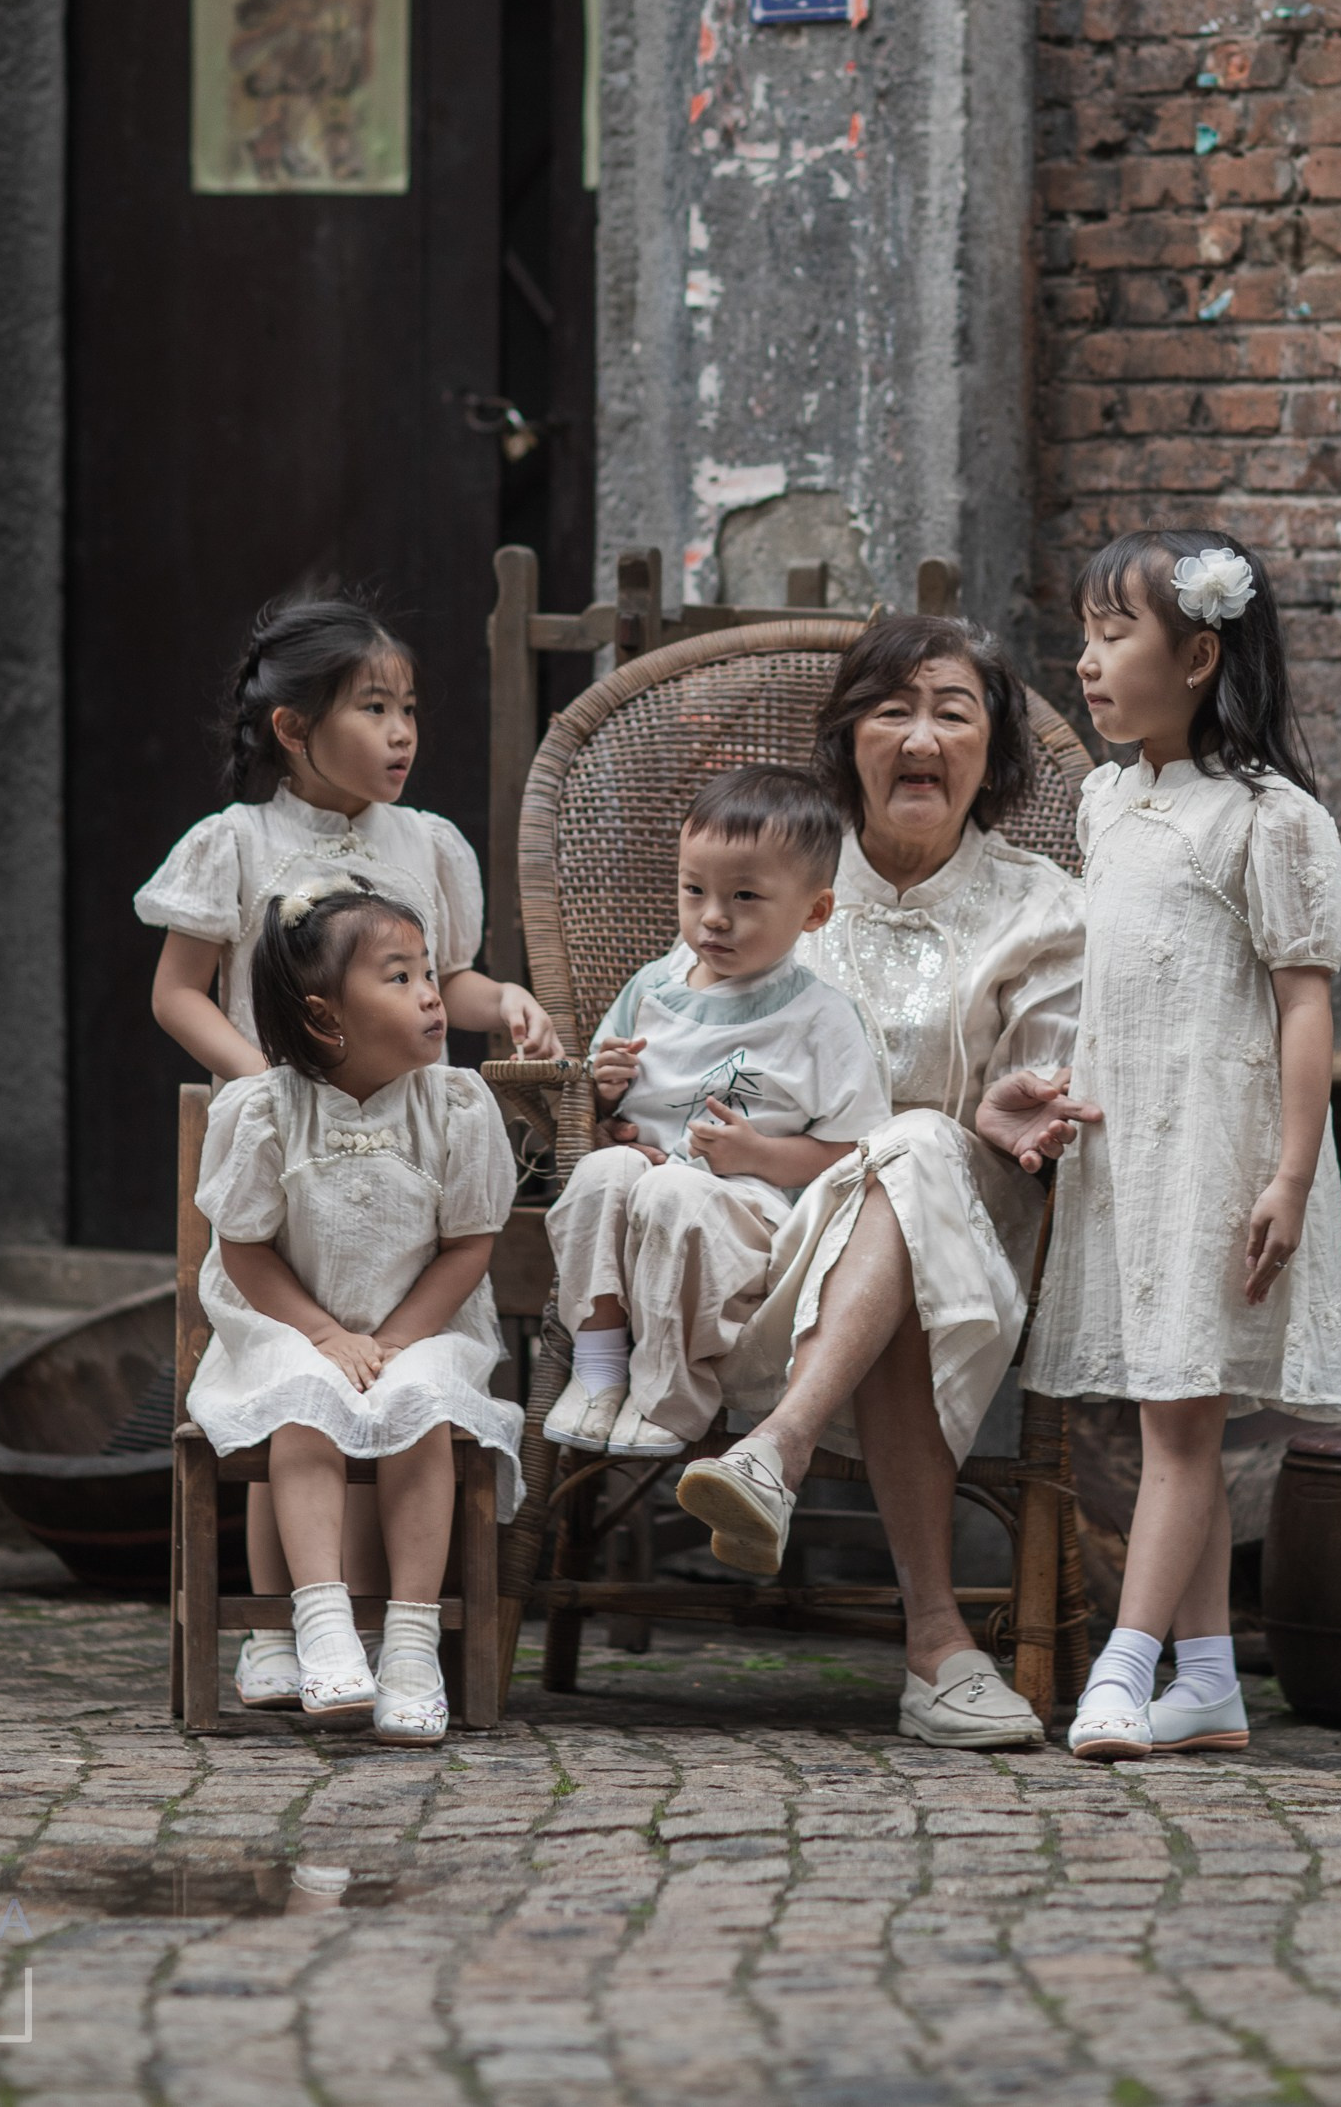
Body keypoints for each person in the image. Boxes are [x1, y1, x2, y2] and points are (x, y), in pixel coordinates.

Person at [138, 591, 558, 1709]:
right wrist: (267, 1087)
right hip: (291, 1153)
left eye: (409, 707)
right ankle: (285, 1628)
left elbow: (442, 980)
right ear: (291, 726)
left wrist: (500, 997)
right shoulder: (236, 844)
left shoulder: (425, 846)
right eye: (373, 708)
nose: (402, 732)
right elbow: (178, 992)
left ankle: (379, 1632)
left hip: (399, 1160)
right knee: (299, 1379)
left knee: (392, 1377)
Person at [674, 616, 1086, 1753]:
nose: (919, 736)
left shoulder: (1042, 907)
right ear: (847, 739)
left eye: (951, 711)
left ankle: (776, 1454)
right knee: (900, 1168)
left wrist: (1003, 1121)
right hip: (775, 1245)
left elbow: (1041, 1105)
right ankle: (935, 1649)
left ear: (989, 750)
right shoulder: (787, 874)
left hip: (971, 1250)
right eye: (890, 709)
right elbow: (682, 1032)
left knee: (913, 1157)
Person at [1029, 528, 1341, 1763]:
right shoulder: (1103, 799)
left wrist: (1286, 1173)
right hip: (1128, 1149)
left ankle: (1121, 1669)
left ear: (1201, 653)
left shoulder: (1270, 820)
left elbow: (1304, 1002)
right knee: (1185, 1425)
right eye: (1085, 635)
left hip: (1223, 1157)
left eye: (1117, 637)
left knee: (1177, 1425)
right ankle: (1209, 1682)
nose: (1088, 662)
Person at [186, 868, 524, 1744]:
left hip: (429, 1321)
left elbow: (469, 1246)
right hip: (288, 1322)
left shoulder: (455, 1103)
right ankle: (320, 1621)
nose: (431, 996)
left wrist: (401, 1338)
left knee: (422, 1401)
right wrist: (326, 1334)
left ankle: (411, 1642)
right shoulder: (265, 1110)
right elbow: (245, 1249)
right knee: (306, 1397)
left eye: (428, 973)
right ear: (324, 1014)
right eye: (400, 977)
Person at [541, 766, 889, 1460]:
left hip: (747, 1222)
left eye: (745, 897)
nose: (713, 917)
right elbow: (609, 1103)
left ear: (813, 913)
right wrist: (605, 1088)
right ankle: (601, 1367)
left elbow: (857, 1156)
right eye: (693, 889)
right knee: (603, 1171)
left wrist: (756, 1154)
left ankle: (672, 1393)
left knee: (672, 1188)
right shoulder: (653, 987)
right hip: (642, 1201)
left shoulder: (821, 1018)